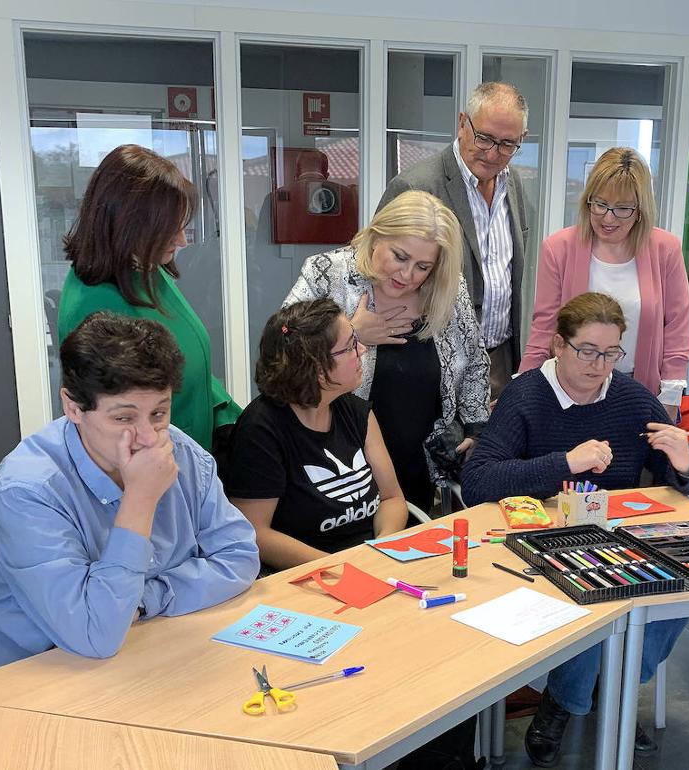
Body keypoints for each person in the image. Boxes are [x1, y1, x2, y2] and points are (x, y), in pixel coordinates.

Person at [462, 292, 689, 764]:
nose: (600, 365)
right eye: (587, 351)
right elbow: (477, 482)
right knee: (592, 594)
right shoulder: (526, 396)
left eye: (611, 353)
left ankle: (601, 692)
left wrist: (686, 463)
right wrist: (565, 462)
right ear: (558, 345)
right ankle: (575, 702)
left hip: (614, 536)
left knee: (683, 586)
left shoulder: (631, 398)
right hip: (537, 540)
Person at [0, 312, 259, 674]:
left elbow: (241, 556)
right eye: (123, 418)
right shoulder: (27, 490)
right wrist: (140, 499)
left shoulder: (180, 452)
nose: (149, 438)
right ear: (73, 407)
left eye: (159, 413)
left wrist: (148, 599)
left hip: (147, 648)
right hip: (31, 674)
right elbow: (94, 633)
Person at [284, 190, 489, 513]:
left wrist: (477, 428)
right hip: (339, 462)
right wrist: (352, 334)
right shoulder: (326, 272)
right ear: (376, 235)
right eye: (400, 256)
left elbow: (475, 359)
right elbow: (282, 350)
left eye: (423, 266)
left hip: (417, 459)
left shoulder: (448, 288)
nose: (407, 276)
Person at [57, 144, 239, 452]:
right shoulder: (93, 305)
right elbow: (119, 422)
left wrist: (233, 421)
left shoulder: (146, 269)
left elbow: (194, 366)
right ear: (129, 225)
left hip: (195, 452)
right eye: (168, 230)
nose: (181, 241)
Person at [224, 299, 409, 570]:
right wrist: (342, 567)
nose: (363, 349)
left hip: (369, 562)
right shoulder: (261, 430)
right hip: (305, 574)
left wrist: (381, 548)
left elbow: (392, 498)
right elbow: (256, 533)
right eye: (350, 347)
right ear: (318, 370)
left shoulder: (355, 411)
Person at [378, 82, 529, 399]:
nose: (492, 152)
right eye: (484, 137)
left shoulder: (512, 183)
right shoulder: (415, 186)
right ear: (462, 123)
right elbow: (374, 272)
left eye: (507, 144)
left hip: (500, 354)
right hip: (432, 361)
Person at [519, 148, 689, 420]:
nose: (608, 218)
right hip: (569, 393)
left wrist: (670, 397)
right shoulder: (558, 248)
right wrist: (521, 392)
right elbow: (544, 329)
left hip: (640, 392)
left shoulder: (665, 249)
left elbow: (678, 330)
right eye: (600, 204)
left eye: (622, 209)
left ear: (640, 210)